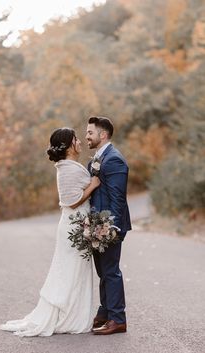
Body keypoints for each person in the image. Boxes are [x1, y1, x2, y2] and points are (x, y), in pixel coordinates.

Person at [0, 128, 100, 337]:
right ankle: (65, 316)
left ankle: (73, 314)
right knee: (69, 271)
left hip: (78, 225)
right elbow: (71, 201)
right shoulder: (66, 168)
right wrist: (93, 185)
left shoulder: (70, 166)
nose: (80, 142)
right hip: (74, 226)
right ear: (69, 145)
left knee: (77, 271)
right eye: (76, 139)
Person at [86, 116, 131, 335]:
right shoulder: (98, 158)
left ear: (102, 135)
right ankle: (105, 313)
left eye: (90, 133)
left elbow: (117, 197)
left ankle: (118, 319)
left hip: (109, 226)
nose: (86, 136)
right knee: (103, 271)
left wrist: (111, 228)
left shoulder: (114, 159)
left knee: (111, 271)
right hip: (97, 224)